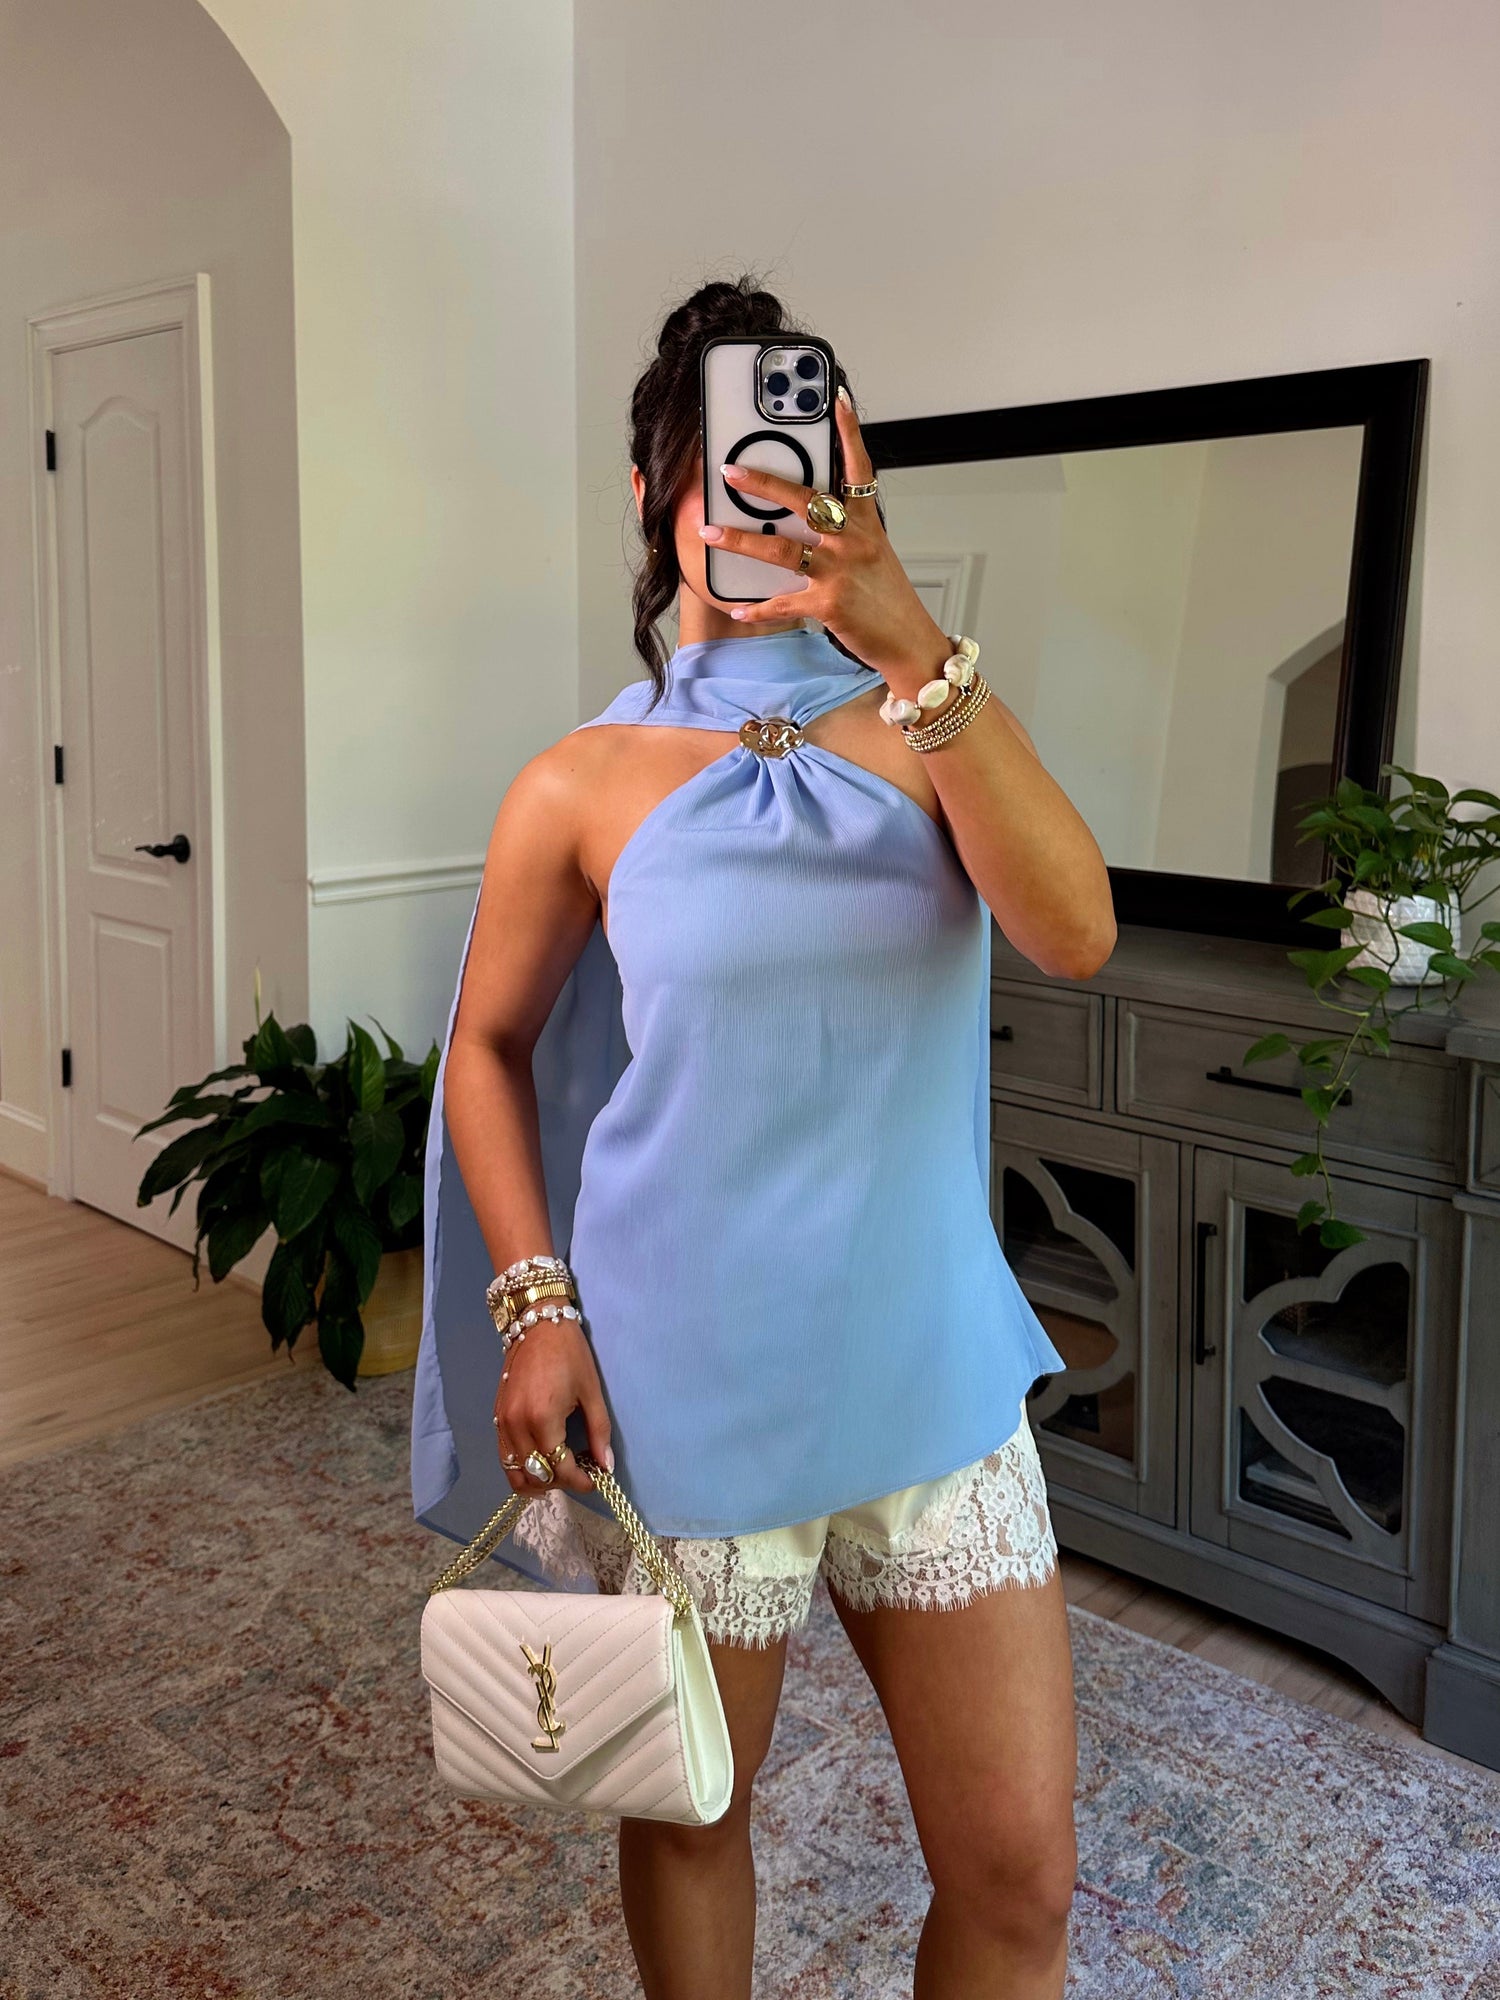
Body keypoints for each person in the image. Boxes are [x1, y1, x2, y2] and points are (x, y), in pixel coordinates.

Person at [411, 276, 1116, 2000]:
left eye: (793, 460)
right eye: (718, 465)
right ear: (655, 493)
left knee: (1021, 1878)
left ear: (848, 478)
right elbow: (486, 1048)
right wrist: (536, 1304)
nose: (756, 496)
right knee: (691, 1818)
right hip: (684, 1392)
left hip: (928, 1370)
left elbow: (1078, 935)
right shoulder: (577, 781)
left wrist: (916, 645)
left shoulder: (933, 723)